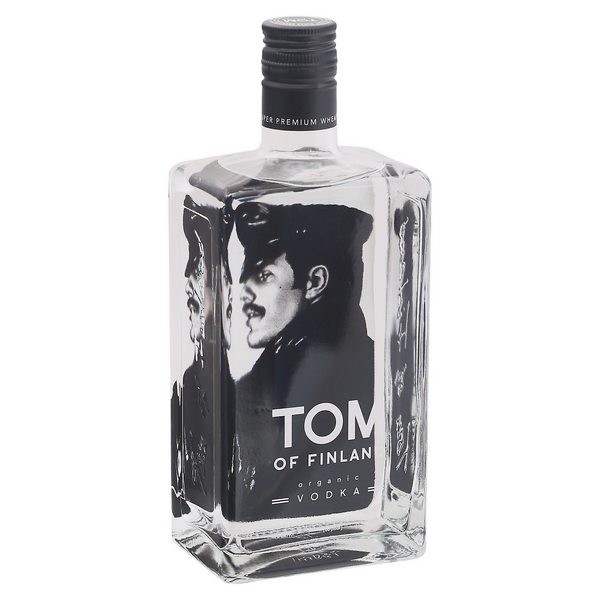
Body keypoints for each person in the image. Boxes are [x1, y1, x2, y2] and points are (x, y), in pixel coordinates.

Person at [231, 202, 375, 521]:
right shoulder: (242, 395)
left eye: (264, 275)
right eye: (245, 278)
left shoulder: (388, 378)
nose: (243, 293)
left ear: (314, 282)